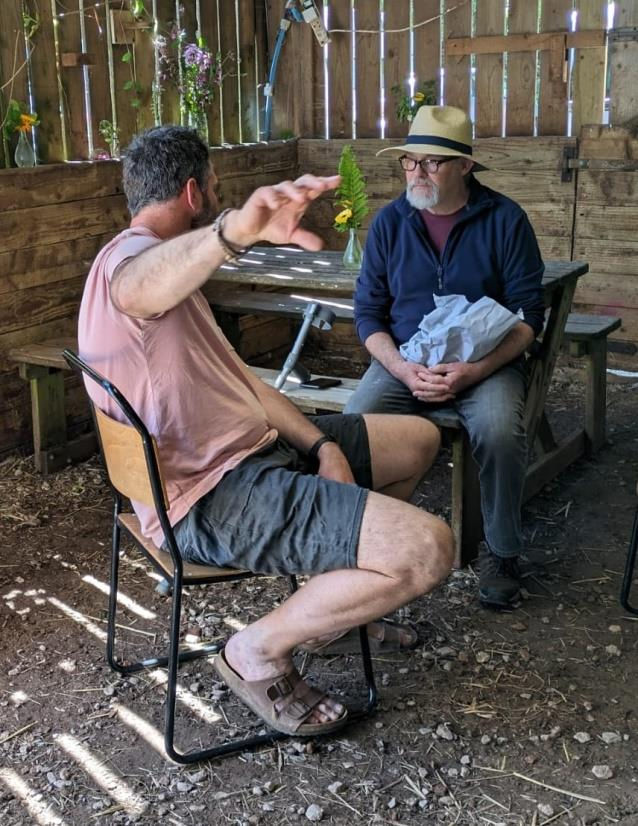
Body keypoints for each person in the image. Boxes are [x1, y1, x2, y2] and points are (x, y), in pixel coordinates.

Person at [78, 125, 454, 737]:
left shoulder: (176, 285)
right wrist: (233, 232)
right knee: (428, 547)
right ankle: (254, 650)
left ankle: (333, 616)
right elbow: (136, 287)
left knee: (418, 440)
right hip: (208, 498)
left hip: (254, 453)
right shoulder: (128, 265)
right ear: (195, 193)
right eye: (216, 189)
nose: (219, 198)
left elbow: (248, 387)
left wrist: (322, 445)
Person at [344, 105, 545, 609]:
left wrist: (475, 370)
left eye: (432, 163)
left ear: (465, 166)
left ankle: (503, 553)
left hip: (486, 363)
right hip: (406, 360)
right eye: (410, 161)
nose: (417, 173)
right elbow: (368, 313)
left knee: (499, 431)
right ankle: (361, 544)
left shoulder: (505, 220)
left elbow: (528, 315)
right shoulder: (390, 223)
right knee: (353, 427)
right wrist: (400, 367)